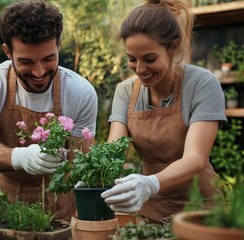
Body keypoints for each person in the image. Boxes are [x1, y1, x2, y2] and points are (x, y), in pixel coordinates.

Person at [0, 0, 98, 222]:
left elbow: (80, 163)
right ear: (8, 51)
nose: (39, 72)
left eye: (48, 58)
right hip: (2, 204)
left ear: (59, 45)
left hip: (58, 207)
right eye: (26, 61)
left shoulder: (80, 91)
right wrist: (19, 156)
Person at [100, 0, 227, 223]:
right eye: (132, 59)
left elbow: (195, 158)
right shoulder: (125, 92)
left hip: (201, 209)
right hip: (152, 209)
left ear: (173, 47)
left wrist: (151, 183)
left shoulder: (202, 84)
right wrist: (94, 176)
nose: (140, 69)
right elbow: (114, 152)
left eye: (149, 59)